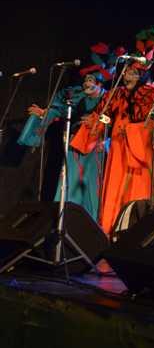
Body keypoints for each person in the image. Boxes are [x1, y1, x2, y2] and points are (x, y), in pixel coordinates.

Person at [73, 29, 154, 233]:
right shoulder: (116, 93)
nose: (129, 76)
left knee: (139, 188)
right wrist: (94, 126)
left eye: (134, 73)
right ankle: (113, 227)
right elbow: (102, 115)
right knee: (116, 187)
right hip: (119, 148)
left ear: (142, 74)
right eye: (127, 72)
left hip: (141, 149)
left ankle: (139, 227)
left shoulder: (151, 92)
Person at [19, 44, 115, 219]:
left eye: (91, 80)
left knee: (91, 184)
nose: (87, 83)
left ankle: (91, 219)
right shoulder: (78, 96)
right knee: (70, 180)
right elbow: (59, 109)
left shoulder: (110, 98)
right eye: (86, 80)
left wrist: (101, 128)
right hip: (75, 143)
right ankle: (67, 218)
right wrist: (44, 113)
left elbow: (114, 120)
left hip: (96, 146)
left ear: (99, 82)